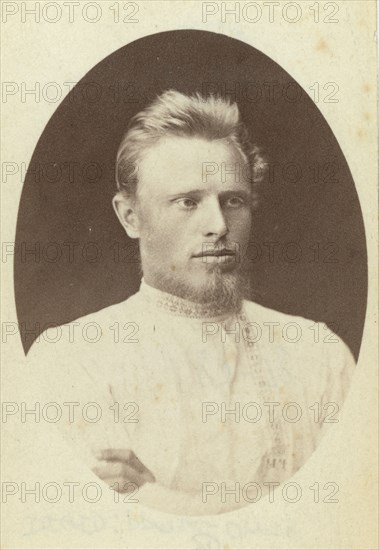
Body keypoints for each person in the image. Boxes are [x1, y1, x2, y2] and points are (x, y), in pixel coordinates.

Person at [27, 90, 355, 515]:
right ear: (130, 216)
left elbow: (348, 520)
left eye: (233, 201)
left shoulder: (319, 354)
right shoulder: (71, 358)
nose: (218, 225)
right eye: (188, 202)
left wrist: (155, 500)